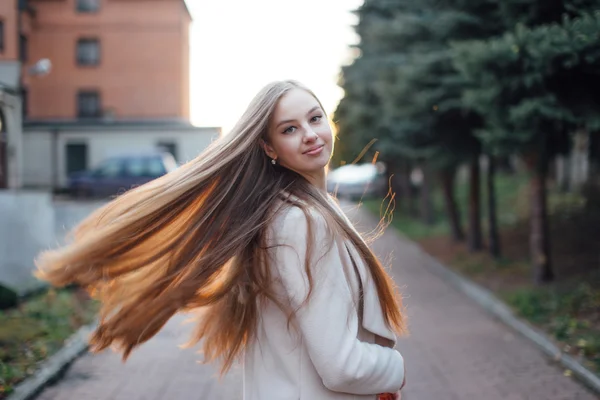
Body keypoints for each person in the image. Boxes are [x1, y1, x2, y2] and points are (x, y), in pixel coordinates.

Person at [35, 80, 407, 400]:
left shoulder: (288, 212)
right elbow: (342, 366)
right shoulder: (303, 222)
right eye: (289, 129)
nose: (309, 134)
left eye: (314, 118)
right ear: (269, 148)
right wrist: (396, 367)